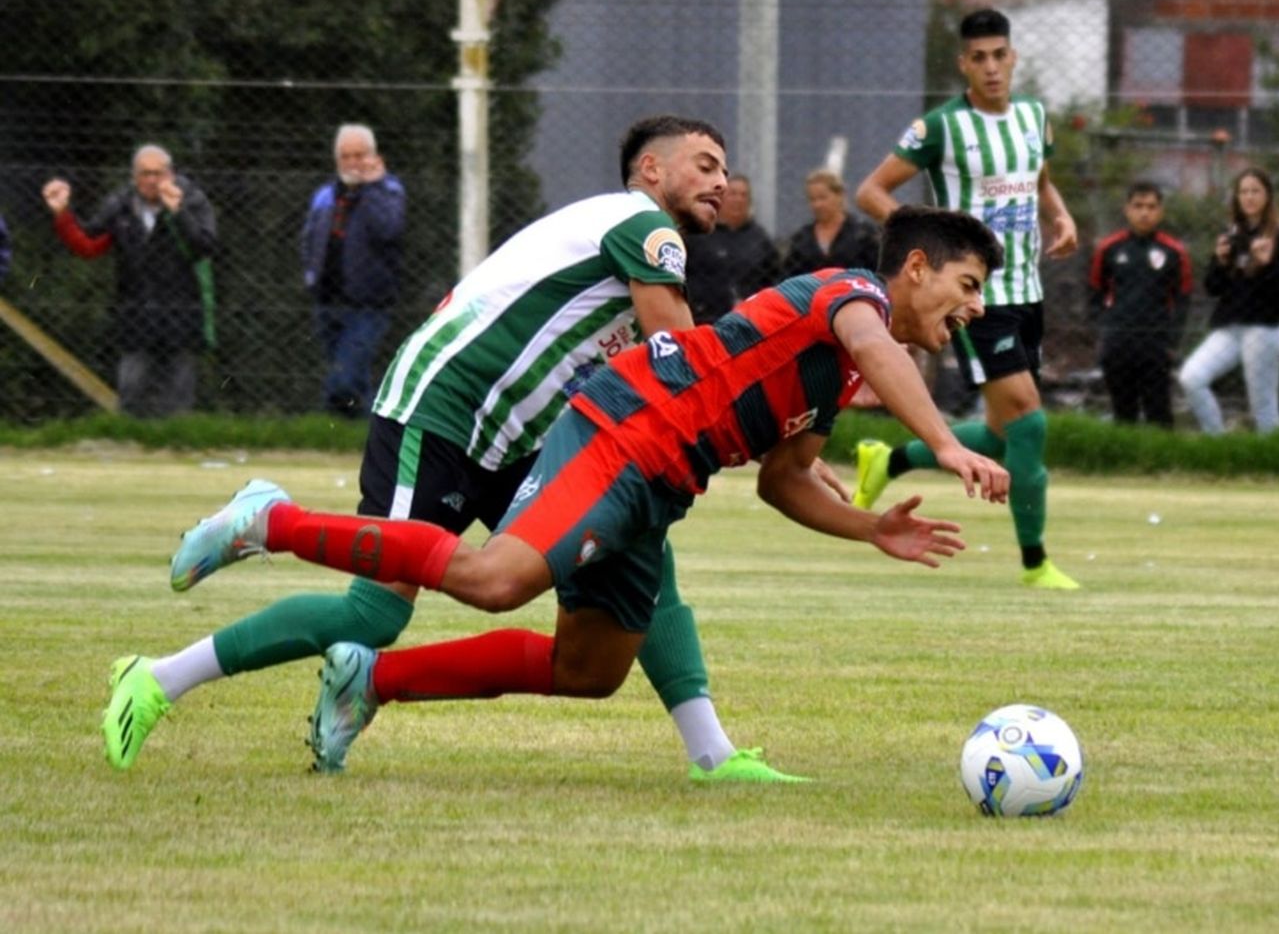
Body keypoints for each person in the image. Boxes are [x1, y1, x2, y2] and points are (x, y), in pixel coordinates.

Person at [166, 206, 1009, 775]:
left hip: (664, 481)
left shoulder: (837, 378)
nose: (971, 309)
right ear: (915, 267)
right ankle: (269, 521)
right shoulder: (851, 296)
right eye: (967, 287)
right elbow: (877, 346)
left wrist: (867, 528)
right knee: (496, 581)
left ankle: (374, 681)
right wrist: (941, 443)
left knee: (591, 668)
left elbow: (784, 484)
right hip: (625, 430)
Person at [102, 116, 798, 783]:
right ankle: (168, 664)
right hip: (447, 406)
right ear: (651, 168)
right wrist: (771, 420)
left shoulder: (616, 228)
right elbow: (676, 357)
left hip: (514, 437)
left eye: (725, 172)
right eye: (705, 165)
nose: (719, 181)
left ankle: (711, 753)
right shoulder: (644, 224)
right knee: (373, 615)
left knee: (638, 544)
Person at [852, 7, 1081, 590]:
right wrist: (932, 241)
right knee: (1028, 423)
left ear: (1013, 58)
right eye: (978, 57)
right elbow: (871, 192)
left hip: (1028, 291)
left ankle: (890, 460)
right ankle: (1036, 563)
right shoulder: (940, 128)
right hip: (977, 301)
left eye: (999, 55)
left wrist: (1060, 215)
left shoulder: (1034, 117)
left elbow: (1039, 176)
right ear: (964, 64)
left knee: (1004, 435)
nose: (991, 67)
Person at [41, 145, 217, 417]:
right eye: (145, 174)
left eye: (158, 173)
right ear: (134, 177)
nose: (152, 180)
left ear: (170, 174)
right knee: (131, 389)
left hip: (183, 311)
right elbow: (89, 245)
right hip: (135, 312)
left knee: (179, 396)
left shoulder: (192, 200)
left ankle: (178, 446)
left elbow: (204, 246)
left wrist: (178, 212)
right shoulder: (119, 205)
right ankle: (131, 443)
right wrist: (62, 213)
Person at [1177, 167, 1279, 435]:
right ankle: (1218, 443)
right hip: (1231, 327)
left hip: (1265, 327)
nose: (1249, 197)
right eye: (1244, 191)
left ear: (1268, 197)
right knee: (1191, 377)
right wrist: (1219, 261)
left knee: (1262, 404)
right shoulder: (1231, 235)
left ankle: (1274, 462)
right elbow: (1212, 287)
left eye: (1256, 191)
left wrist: (1266, 264)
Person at [300, 123, 406, 417]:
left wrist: (371, 187)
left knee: (344, 379)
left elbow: (389, 229)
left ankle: (336, 425)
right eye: (346, 157)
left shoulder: (388, 191)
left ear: (374, 157)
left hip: (368, 302)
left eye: (360, 156)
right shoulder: (326, 195)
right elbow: (309, 238)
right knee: (354, 379)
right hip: (328, 298)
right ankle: (362, 435)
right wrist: (310, 275)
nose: (353, 163)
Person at [1088, 181, 1194, 428]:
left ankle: (1162, 460)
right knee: (1123, 408)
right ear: (1127, 209)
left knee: (1158, 407)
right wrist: (1104, 330)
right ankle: (1126, 456)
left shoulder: (1173, 251)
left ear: (1160, 211)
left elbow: (1183, 299)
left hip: (1156, 340)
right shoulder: (1109, 249)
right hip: (1119, 338)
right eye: (1138, 206)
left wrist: (1172, 341)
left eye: (1151, 206)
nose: (1144, 212)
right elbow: (1094, 291)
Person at [682, 173, 780, 323]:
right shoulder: (699, 234)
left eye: (744, 195)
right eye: (732, 194)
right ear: (720, 198)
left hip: (749, 320)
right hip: (703, 318)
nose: (738, 199)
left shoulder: (760, 239)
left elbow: (774, 279)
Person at [781, 168, 880, 278]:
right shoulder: (801, 238)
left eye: (822, 198)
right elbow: (788, 276)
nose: (817, 205)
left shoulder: (862, 234)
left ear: (839, 196)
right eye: (812, 199)